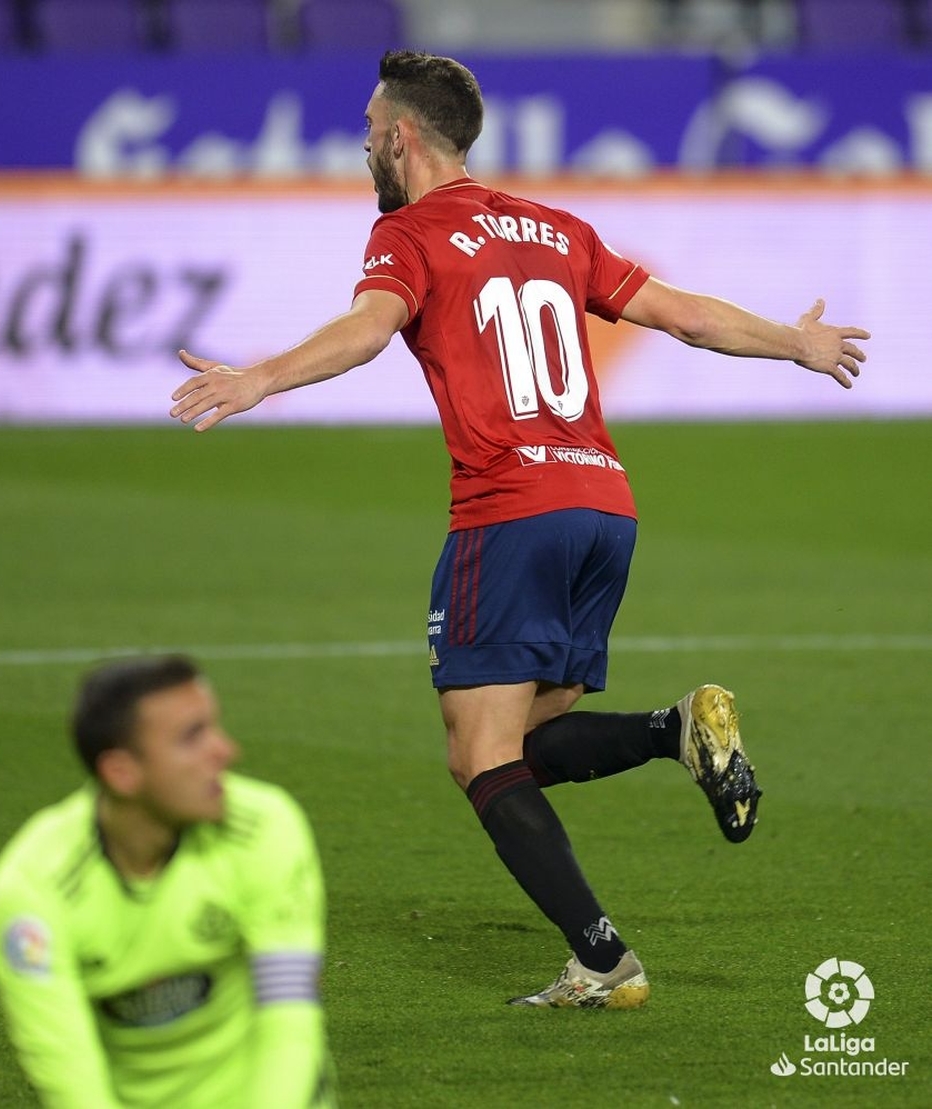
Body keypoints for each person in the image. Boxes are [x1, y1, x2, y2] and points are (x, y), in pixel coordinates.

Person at [168, 51, 869, 1009]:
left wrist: (259, 377)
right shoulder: (557, 226)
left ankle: (604, 960)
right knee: (525, 738)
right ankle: (677, 734)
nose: (367, 142)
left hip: (511, 512)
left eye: (374, 128)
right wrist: (799, 342)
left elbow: (371, 327)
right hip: (603, 508)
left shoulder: (407, 234)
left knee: (479, 755)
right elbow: (682, 315)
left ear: (402, 137)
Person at [0, 655, 336, 1106]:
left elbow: (289, 1020)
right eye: (193, 737)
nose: (226, 750)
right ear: (121, 773)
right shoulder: (33, 887)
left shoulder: (265, 826)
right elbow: (64, 1064)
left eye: (214, 726)